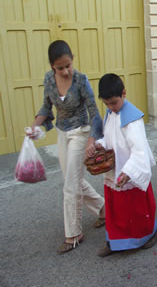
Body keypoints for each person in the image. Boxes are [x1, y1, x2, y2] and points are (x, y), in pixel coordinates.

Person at [28, 40, 105, 254]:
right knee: (72, 179)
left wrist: (92, 138)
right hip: (62, 132)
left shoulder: (80, 79)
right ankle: (103, 208)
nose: (65, 71)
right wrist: (34, 127)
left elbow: (94, 111)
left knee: (70, 185)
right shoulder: (48, 79)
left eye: (68, 65)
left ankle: (73, 234)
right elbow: (46, 106)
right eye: (59, 68)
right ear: (52, 66)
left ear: (73, 60)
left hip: (80, 131)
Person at [93, 74, 157, 257]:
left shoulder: (133, 120)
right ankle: (115, 241)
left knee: (137, 210)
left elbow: (139, 151)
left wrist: (128, 172)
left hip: (129, 171)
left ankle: (149, 234)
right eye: (107, 104)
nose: (111, 108)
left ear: (124, 93)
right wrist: (101, 144)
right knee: (117, 210)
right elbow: (110, 138)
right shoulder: (111, 113)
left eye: (114, 103)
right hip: (115, 170)